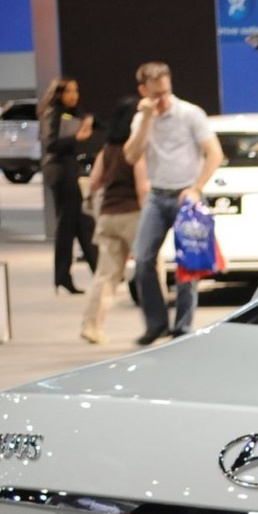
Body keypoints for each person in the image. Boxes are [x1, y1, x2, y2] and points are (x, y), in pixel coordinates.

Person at [121, 61, 224, 344]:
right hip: (157, 196)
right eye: (156, 94)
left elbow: (214, 153)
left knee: (187, 263)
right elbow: (131, 156)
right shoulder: (142, 119)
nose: (163, 99)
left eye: (166, 92)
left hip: (186, 196)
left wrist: (196, 188)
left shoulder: (190, 114)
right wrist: (145, 119)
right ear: (143, 91)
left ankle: (182, 327)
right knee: (143, 258)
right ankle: (156, 323)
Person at [79, 102, 145, 345]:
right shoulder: (136, 150)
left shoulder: (106, 150)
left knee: (105, 275)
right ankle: (157, 323)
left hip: (108, 216)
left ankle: (91, 326)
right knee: (150, 271)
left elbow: (94, 182)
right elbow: (142, 188)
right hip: (133, 215)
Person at [38, 78, 98, 293]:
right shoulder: (53, 113)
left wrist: (87, 124)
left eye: (76, 91)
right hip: (59, 172)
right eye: (69, 91)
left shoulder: (71, 113)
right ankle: (64, 275)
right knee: (68, 225)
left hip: (68, 170)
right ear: (59, 94)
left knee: (82, 223)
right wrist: (76, 137)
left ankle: (96, 271)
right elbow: (51, 144)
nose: (74, 95)